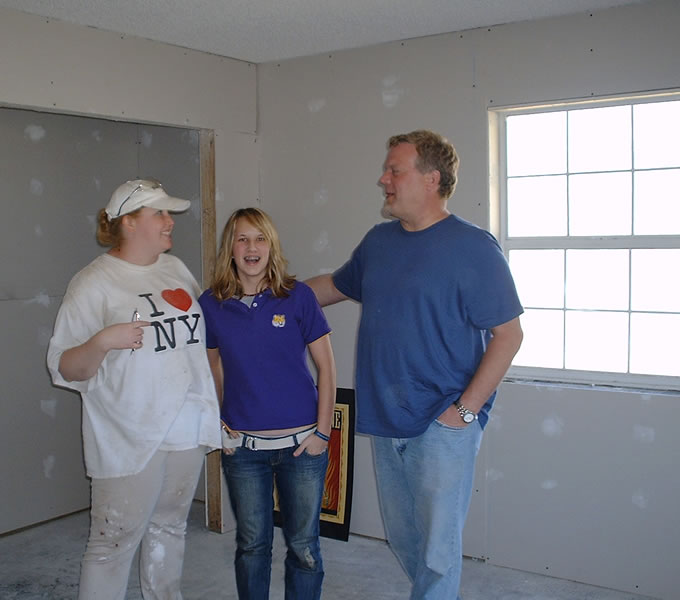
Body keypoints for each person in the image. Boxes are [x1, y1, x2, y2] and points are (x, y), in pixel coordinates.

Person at [306, 130, 523, 600]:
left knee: (438, 554)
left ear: (431, 179)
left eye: (394, 170)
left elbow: (509, 335)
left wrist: (464, 412)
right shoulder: (379, 242)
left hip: (442, 423)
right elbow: (334, 287)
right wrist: (268, 296)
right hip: (387, 419)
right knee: (406, 540)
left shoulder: (472, 247)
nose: (383, 179)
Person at [46, 178, 220, 600]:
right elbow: (65, 367)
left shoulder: (175, 269)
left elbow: (201, 343)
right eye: (159, 213)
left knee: (170, 528)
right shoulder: (94, 283)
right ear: (128, 222)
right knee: (112, 543)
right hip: (128, 435)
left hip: (186, 425)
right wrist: (104, 340)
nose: (169, 221)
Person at [198, 207, 336, 600]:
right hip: (244, 452)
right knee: (252, 547)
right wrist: (219, 424)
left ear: (271, 246)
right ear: (230, 248)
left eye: (260, 239)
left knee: (304, 548)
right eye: (242, 239)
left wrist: (322, 434)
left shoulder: (298, 297)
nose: (251, 248)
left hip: (302, 448)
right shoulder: (211, 304)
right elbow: (210, 368)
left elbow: (327, 368)